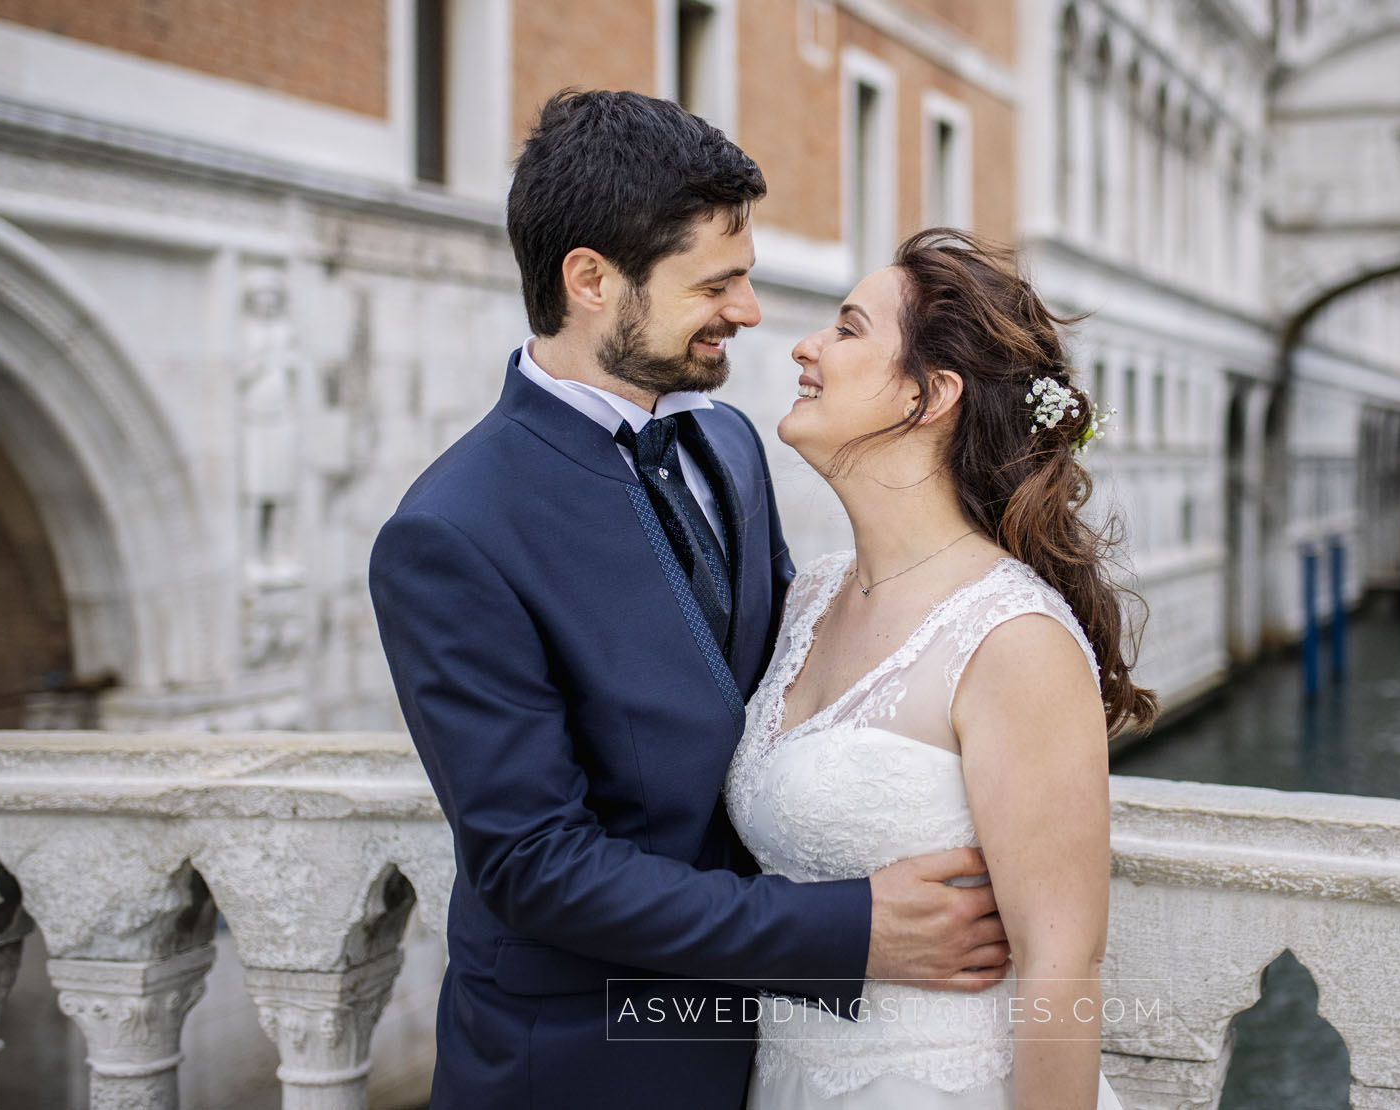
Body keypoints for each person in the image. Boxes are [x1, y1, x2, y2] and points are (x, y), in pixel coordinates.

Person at [370, 91, 1008, 1109]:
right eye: (717, 282)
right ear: (590, 280)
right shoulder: (450, 532)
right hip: (580, 1066)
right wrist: (849, 929)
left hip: (784, 1054)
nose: (748, 312)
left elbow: (797, 683)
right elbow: (534, 864)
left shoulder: (730, 442)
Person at [725, 228, 1156, 1109]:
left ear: (929, 395)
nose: (805, 346)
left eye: (847, 329)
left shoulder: (1013, 638)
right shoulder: (808, 599)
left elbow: (1062, 965)